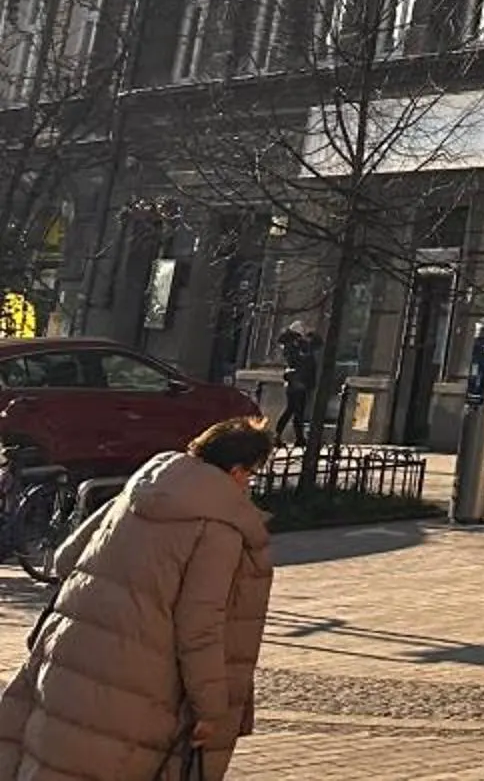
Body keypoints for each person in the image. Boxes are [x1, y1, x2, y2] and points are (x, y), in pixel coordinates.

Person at [0, 416, 276, 781]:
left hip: (69, 657)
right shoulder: (217, 528)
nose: (249, 485)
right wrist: (210, 710)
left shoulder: (141, 488)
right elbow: (200, 628)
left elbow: (67, 558)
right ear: (238, 470)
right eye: (252, 474)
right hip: (140, 687)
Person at [274, 328, 319, 451]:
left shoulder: (292, 349)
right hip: (298, 384)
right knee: (295, 411)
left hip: (296, 384)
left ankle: (296, 438)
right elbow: (302, 364)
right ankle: (293, 438)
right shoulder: (295, 350)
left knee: (294, 411)